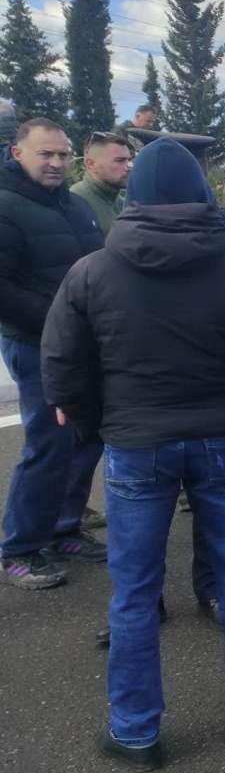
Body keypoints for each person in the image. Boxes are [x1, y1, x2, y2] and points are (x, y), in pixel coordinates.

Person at [40, 137, 225, 769]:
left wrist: (104, 427)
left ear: (135, 197)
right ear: (201, 192)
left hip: (136, 442)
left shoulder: (93, 271)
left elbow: (63, 369)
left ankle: (134, 731)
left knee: (133, 587)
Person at [0, 118, 107, 589]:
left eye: (63, 154)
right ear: (16, 153)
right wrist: (59, 322)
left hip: (84, 342)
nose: (56, 163)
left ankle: (64, 527)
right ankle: (20, 547)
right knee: (48, 443)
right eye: (46, 154)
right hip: (35, 344)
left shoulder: (76, 206)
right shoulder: (5, 208)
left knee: (87, 437)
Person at [71, 131, 133, 238]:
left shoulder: (122, 203)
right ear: (90, 164)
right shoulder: (74, 204)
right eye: (120, 160)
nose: (129, 166)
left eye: (129, 160)